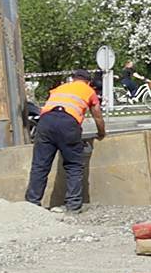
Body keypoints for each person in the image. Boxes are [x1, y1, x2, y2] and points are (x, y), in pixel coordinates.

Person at [27, 69, 105, 214]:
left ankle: (32, 203)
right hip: (68, 124)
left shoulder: (60, 88)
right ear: (88, 82)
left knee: (40, 165)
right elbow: (98, 116)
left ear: (73, 79)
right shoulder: (89, 91)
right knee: (74, 166)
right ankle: (73, 205)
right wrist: (101, 133)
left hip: (45, 123)